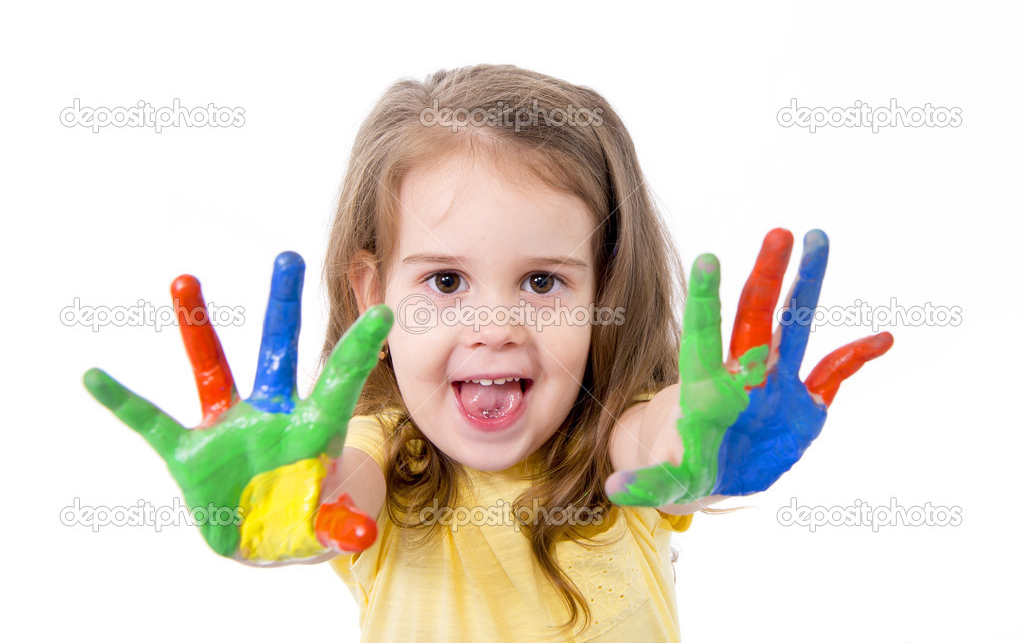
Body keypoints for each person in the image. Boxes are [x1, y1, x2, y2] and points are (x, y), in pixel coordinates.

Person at [84, 64, 893, 642]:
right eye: (444, 279)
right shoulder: (380, 459)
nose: (494, 323)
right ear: (373, 297)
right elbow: (337, 498)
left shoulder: (616, 444)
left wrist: (703, 435)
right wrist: (277, 502)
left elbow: (659, 438)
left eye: (542, 280)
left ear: (602, 294)